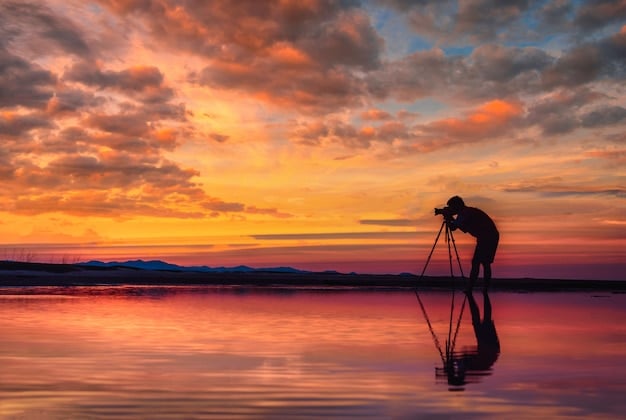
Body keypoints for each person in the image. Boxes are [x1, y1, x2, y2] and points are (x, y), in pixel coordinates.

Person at [445, 196, 499, 291]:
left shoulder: (465, 213)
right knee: (483, 263)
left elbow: (454, 227)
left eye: (451, 207)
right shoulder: (466, 212)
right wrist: (451, 218)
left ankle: (473, 289)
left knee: (480, 262)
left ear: (456, 206)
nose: (450, 209)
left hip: (488, 236)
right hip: (487, 236)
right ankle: (482, 289)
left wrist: (449, 218)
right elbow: (459, 227)